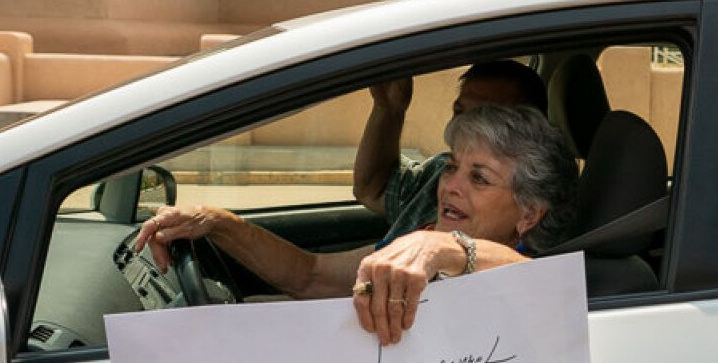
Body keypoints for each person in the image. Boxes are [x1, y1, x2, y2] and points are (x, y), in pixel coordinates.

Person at [134, 103, 577, 345]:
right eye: (453, 167)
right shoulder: (423, 242)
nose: (450, 186)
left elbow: (535, 281)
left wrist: (448, 249)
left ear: (528, 214)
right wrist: (216, 222)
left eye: (478, 178)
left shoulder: (523, 277)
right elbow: (308, 276)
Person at [353, 60, 548, 249]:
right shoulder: (440, 170)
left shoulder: (536, 221)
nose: (451, 186)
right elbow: (373, 190)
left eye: (479, 179)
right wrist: (388, 108)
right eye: (458, 112)